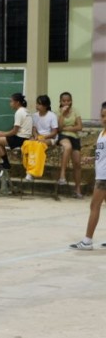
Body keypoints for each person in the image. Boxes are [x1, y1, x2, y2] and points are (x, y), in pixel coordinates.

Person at [69, 103, 106, 250]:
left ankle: (87, 241)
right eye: (102, 115)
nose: (104, 119)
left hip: (104, 177)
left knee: (94, 205)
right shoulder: (102, 133)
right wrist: (91, 159)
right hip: (101, 173)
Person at [0, 93, 32, 169]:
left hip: (20, 139)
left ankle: (6, 164)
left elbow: (14, 131)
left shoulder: (19, 112)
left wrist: (2, 134)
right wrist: (3, 134)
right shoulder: (26, 111)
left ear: (17, 102)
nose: (10, 104)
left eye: (11, 101)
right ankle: (6, 163)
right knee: (1, 137)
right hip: (26, 137)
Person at [56, 92, 83, 197]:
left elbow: (80, 126)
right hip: (63, 136)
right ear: (60, 102)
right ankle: (62, 175)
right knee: (68, 147)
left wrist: (67, 128)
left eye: (68, 100)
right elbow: (59, 128)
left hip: (75, 137)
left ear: (71, 101)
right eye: (64, 101)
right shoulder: (58, 112)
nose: (66, 102)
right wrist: (62, 114)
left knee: (77, 163)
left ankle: (77, 189)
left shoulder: (75, 111)